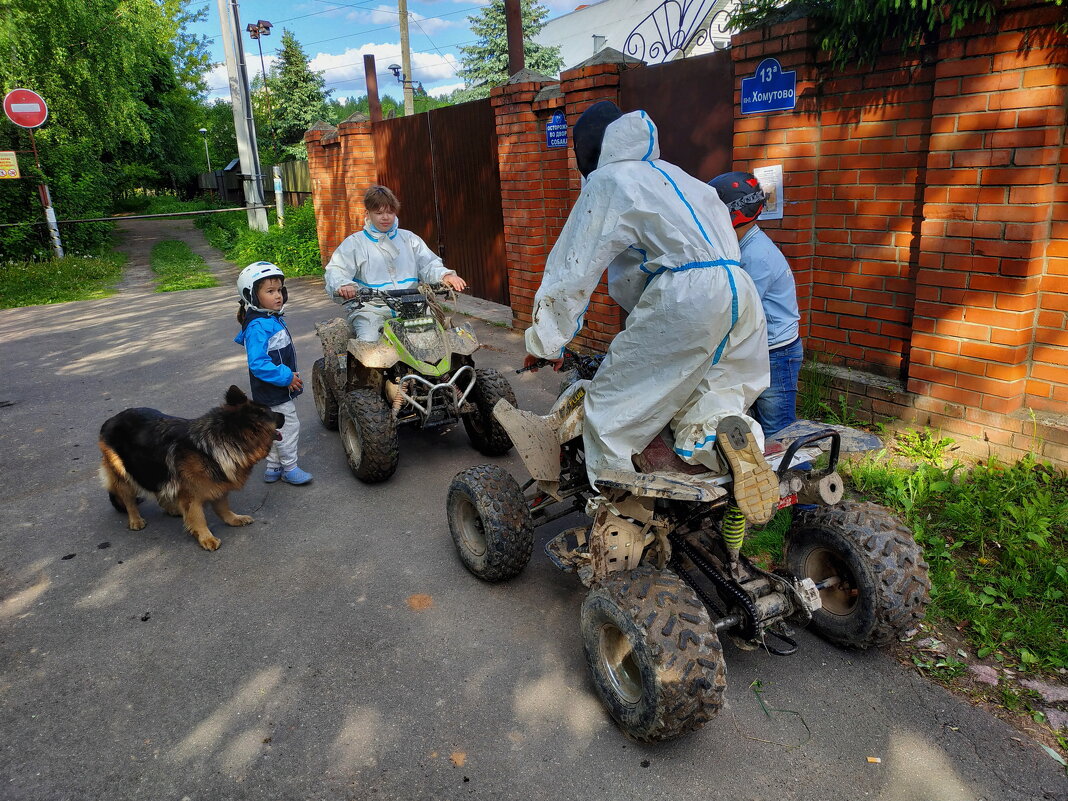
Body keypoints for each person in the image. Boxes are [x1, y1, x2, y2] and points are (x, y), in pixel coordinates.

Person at [523, 101, 778, 523]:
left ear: (587, 152)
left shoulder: (609, 181)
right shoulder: (684, 178)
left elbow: (571, 270)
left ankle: (623, 515)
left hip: (687, 295)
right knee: (712, 395)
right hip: (739, 290)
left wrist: (545, 340)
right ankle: (737, 439)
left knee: (609, 406)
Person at [709, 171, 802, 438]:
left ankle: (799, 476)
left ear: (731, 215)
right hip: (763, 348)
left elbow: (736, 312)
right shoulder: (743, 247)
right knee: (756, 424)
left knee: (779, 428)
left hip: (777, 353)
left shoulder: (755, 257)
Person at [323, 184, 468, 340]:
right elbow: (336, 270)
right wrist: (342, 285)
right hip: (370, 308)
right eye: (379, 213)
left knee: (437, 339)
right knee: (369, 344)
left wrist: (445, 276)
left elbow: (429, 264)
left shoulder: (409, 239)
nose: (385, 217)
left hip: (412, 306)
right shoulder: (355, 243)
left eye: (390, 212)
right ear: (368, 214)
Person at [235, 261, 313, 485]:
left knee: (274, 426)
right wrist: (286, 377)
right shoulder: (259, 326)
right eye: (270, 291)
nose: (278, 296)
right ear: (252, 295)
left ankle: (273, 466)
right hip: (274, 390)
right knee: (288, 426)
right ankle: (289, 468)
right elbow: (258, 363)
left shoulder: (267, 318)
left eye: (279, 290)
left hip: (272, 389)